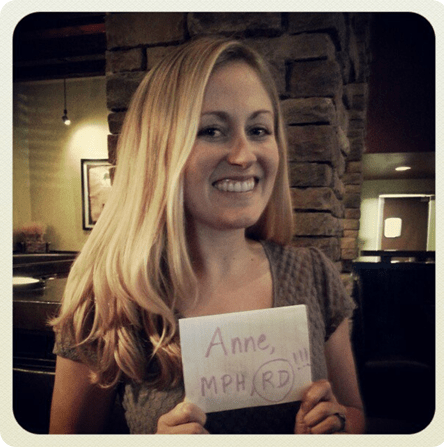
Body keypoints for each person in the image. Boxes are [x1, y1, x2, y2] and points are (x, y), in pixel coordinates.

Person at [49, 36, 365, 435]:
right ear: (159, 150)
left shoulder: (312, 275)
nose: (244, 155)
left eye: (259, 129)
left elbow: (354, 411)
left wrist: (337, 426)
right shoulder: (109, 295)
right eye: (212, 130)